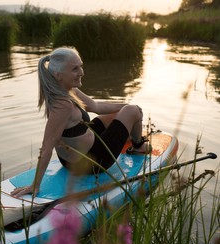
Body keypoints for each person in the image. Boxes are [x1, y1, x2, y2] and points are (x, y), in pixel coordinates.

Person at [11, 47, 151, 198]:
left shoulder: (69, 91)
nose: (82, 72)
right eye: (75, 69)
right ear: (59, 75)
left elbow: (96, 107)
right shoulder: (62, 105)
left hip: (78, 153)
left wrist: (126, 107)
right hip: (92, 163)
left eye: (81, 66)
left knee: (123, 111)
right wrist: (35, 185)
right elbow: (47, 146)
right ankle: (138, 146)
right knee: (133, 111)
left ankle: (129, 131)